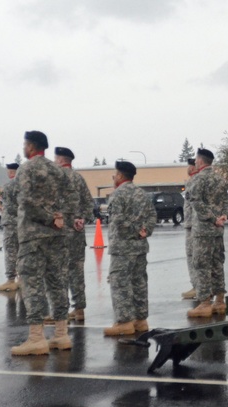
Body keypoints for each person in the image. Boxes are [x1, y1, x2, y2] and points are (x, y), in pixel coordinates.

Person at [11, 131, 79, 356]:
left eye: (25, 144)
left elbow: (26, 203)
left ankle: (36, 338)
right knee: (57, 283)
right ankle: (61, 334)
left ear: (31, 147)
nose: (24, 147)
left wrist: (49, 218)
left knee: (33, 285)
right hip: (57, 236)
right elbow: (72, 201)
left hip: (33, 236)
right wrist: (60, 220)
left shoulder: (27, 169)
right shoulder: (58, 171)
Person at [103, 161, 156, 336]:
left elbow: (117, 221)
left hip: (123, 248)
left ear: (120, 176)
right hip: (140, 247)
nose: (113, 177)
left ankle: (124, 322)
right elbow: (152, 215)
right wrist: (144, 231)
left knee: (120, 284)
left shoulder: (118, 195)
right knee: (139, 283)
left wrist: (134, 231)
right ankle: (140, 320)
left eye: (114, 174)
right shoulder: (141, 193)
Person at [185, 148, 228, 317]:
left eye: (196, 160)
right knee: (217, 264)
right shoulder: (219, 178)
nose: (195, 162)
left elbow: (196, 201)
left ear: (201, 161)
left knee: (202, 265)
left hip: (204, 230)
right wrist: (222, 216)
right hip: (218, 230)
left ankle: (204, 303)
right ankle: (219, 301)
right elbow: (225, 201)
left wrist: (212, 218)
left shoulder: (198, 179)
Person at [54, 147, 95, 321]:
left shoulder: (56, 179)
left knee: (58, 272)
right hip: (77, 234)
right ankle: (79, 309)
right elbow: (89, 204)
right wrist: (81, 219)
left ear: (62, 160)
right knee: (77, 272)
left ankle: (60, 311)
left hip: (60, 234)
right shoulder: (79, 179)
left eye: (56, 158)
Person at [0, 163, 21, 292]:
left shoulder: (9, 186)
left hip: (11, 224)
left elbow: (10, 207)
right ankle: (22, 279)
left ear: (11, 172)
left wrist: (4, 210)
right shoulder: (25, 185)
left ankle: (11, 280)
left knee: (11, 252)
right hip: (23, 224)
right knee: (22, 252)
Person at [180, 158, 199, 299]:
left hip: (193, 225)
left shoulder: (193, 182)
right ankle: (203, 286)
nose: (188, 168)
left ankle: (197, 286)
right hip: (195, 224)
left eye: (189, 166)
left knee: (193, 256)